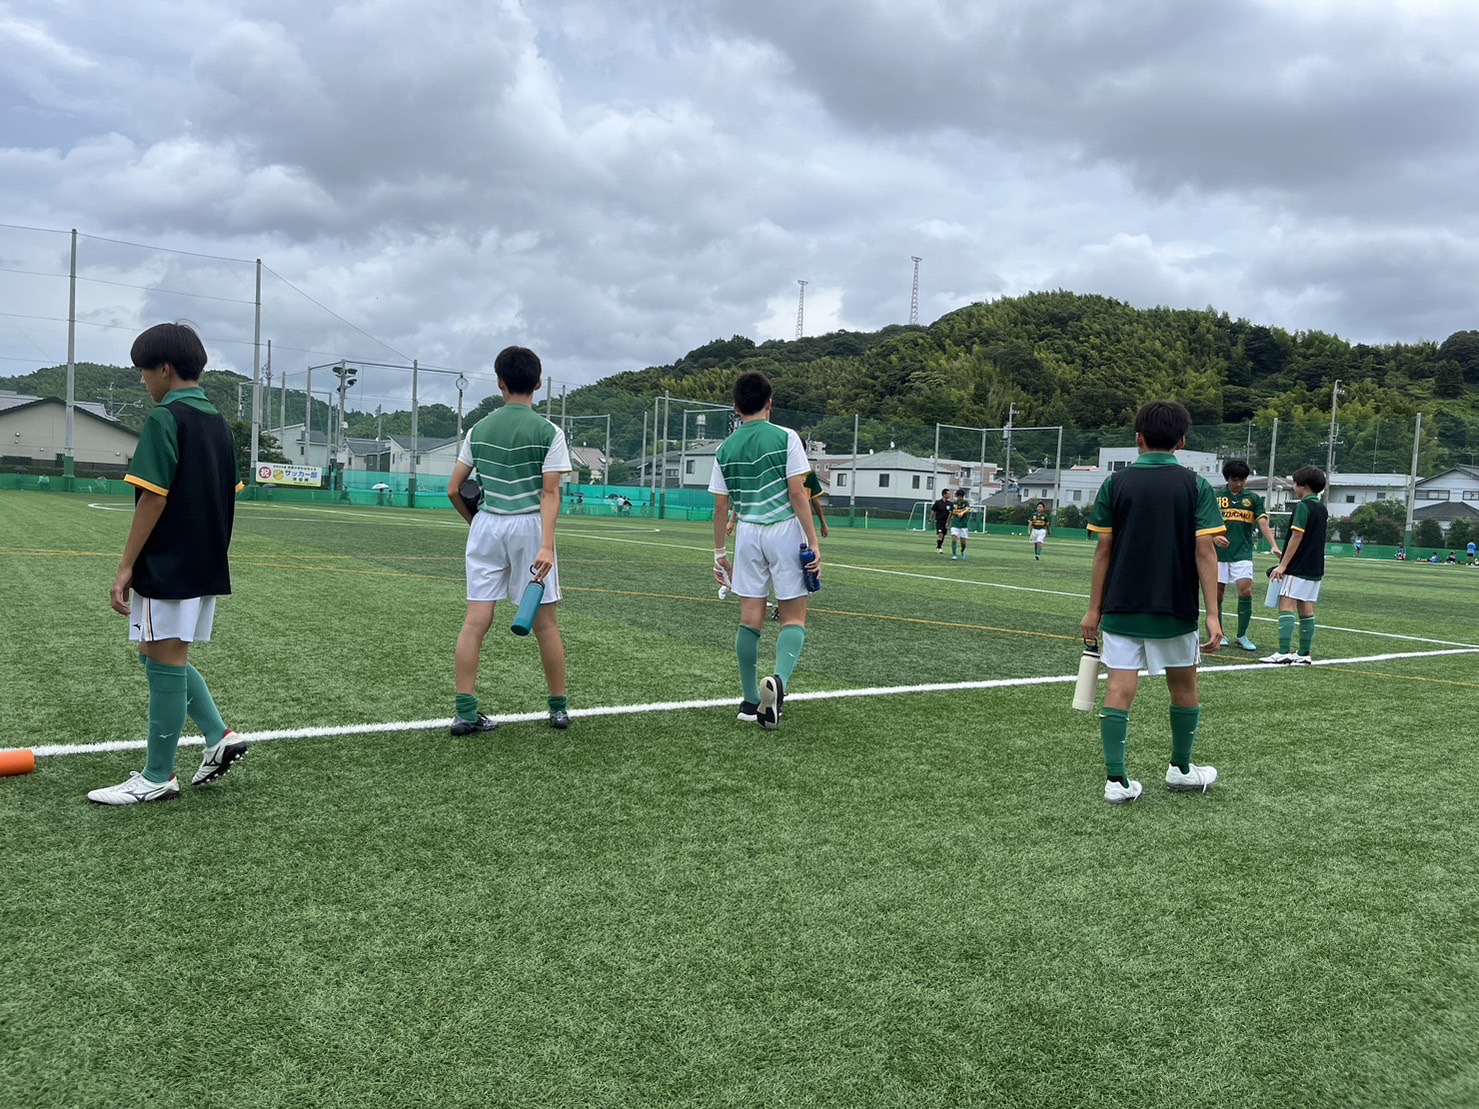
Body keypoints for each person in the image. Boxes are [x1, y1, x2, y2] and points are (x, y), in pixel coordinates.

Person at [87, 323, 246, 805]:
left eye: (142, 371)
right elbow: (228, 493)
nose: (142, 381)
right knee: (156, 654)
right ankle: (218, 736)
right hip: (203, 561)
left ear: (164, 368)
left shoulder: (166, 417)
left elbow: (152, 498)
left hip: (170, 562)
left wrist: (125, 566)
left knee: (163, 660)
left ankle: (158, 776)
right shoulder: (219, 422)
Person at [1080, 400, 1226, 804]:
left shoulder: (1116, 483)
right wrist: (1214, 615)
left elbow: (1103, 551)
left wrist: (1093, 609)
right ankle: (1181, 769)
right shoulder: (1196, 485)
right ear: (1182, 441)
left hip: (1121, 604)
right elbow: (1205, 552)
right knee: (1184, 686)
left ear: (1138, 438)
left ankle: (1116, 781)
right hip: (1175, 605)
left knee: (1119, 687)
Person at [448, 346, 572, 733]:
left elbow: (454, 489)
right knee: (545, 625)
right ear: (539, 383)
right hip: (530, 527)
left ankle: (465, 712)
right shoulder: (549, 432)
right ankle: (558, 709)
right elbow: (550, 493)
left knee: (475, 622)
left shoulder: (478, 430)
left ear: (500, 382)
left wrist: (477, 523)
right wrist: (546, 545)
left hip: (487, 525)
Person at [710, 371, 820, 731]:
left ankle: (749, 702)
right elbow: (797, 493)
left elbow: (721, 506)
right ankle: (779, 684)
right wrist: (813, 541)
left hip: (748, 534)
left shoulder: (724, 449)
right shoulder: (786, 437)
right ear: (770, 403)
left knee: (750, 619)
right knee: (793, 618)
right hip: (784, 530)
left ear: (735, 407)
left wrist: (719, 552)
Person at [1211, 459, 1282, 652]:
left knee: (1246, 591)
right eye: (1235, 479)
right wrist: (1214, 537)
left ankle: (1242, 635)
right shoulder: (1215, 497)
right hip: (1217, 555)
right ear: (1227, 479)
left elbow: (1263, 523)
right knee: (1217, 595)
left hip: (1242, 552)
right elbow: (1203, 523)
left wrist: (1274, 545)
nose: (1239, 483)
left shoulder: (1253, 499)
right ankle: (1219, 633)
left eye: (1242, 479)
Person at [1261, 466, 1329, 666]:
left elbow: (1297, 536)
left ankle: (1284, 652)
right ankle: (1304, 653)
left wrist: (1282, 565)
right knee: (1306, 607)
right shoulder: (1322, 508)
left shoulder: (1303, 507)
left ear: (1304, 486)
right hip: (1315, 566)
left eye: (1295, 483)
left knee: (1286, 605)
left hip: (1298, 566)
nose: (1293, 487)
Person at [948, 488, 971, 560]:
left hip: (963, 524)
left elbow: (968, 509)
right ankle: (954, 555)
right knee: (954, 538)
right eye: (959, 496)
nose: (960, 498)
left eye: (961, 496)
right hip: (955, 524)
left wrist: (962, 512)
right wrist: (948, 522)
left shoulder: (966, 503)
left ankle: (962, 551)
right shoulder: (954, 504)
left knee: (963, 541)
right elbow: (950, 514)